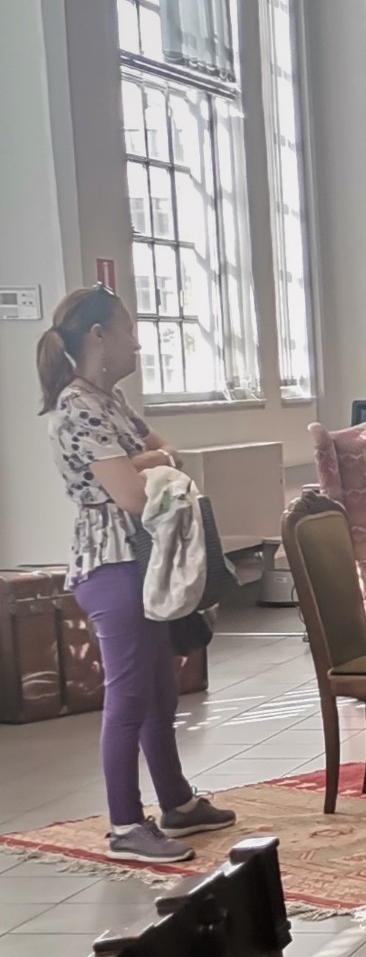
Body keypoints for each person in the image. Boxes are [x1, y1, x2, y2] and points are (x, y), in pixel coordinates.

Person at [39, 287, 232, 862]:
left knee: (160, 686)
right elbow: (126, 493)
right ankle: (125, 823)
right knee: (128, 695)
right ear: (98, 335)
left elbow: (163, 451)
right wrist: (146, 464)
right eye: (128, 328)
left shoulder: (111, 400)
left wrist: (144, 460)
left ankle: (175, 802)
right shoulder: (77, 406)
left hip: (143, 558)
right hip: (112, 563)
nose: (137, 340)